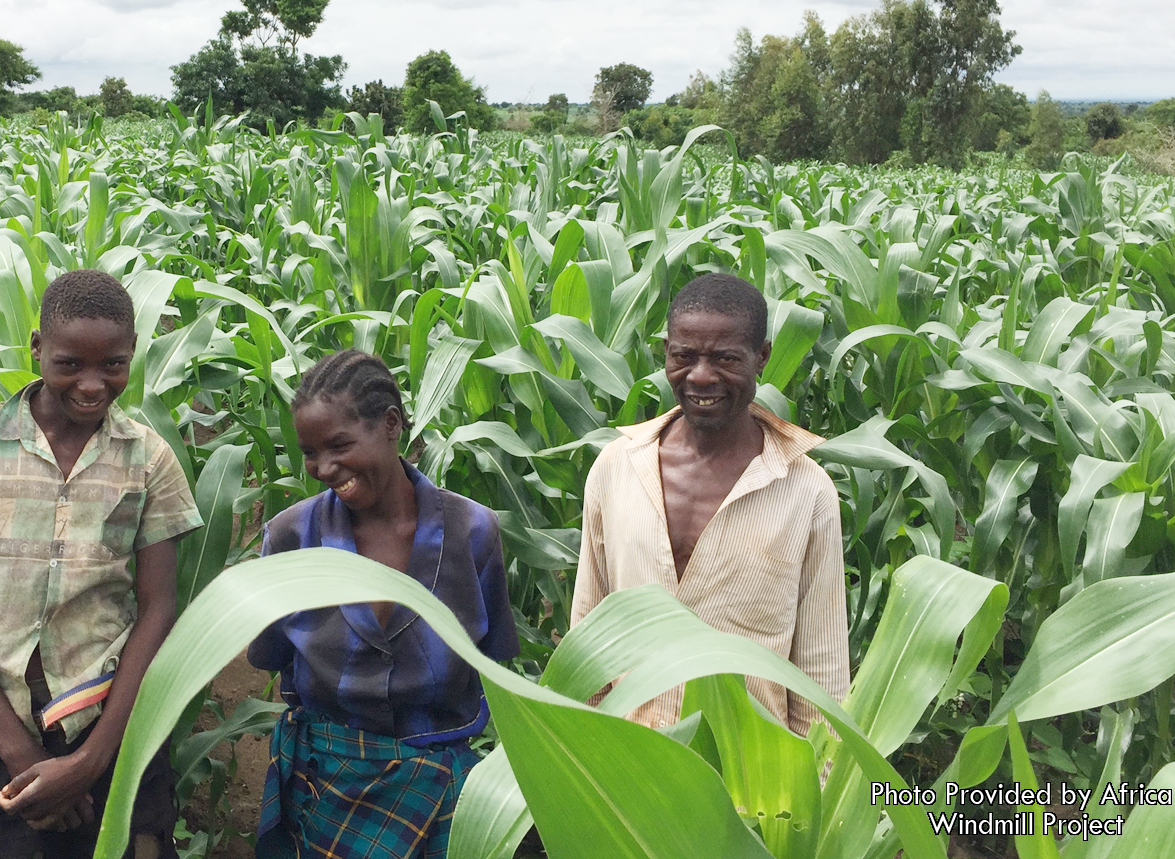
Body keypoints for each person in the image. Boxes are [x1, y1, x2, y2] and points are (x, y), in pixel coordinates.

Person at [0, 270, 203, 859]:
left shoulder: (149, 458)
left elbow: (158, 606)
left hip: (112, 725)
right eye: (69, 365)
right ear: (36, 348)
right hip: (0, 735)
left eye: (113, 365)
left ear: (133, 354)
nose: (92, 385)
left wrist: (92, 759)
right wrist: (19, 752)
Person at [248, 349, 521, 859]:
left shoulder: (472, 532)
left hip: (440, 791)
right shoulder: (290, 537)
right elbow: (271, 658)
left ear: (391, 424)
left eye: (339, 446)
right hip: (326, 785)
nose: (324, 468)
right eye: (310, 453)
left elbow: (494, 660)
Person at [569, 272, 849, 736]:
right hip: (630, 757)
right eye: (684, 356)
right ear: (665, 353)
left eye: (725, 358)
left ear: (762, 358)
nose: (700, 376)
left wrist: (816, 784)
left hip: (750, 778)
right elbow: (590, 629)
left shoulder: (807, 491)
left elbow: (821, 668)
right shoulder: (616, 468)